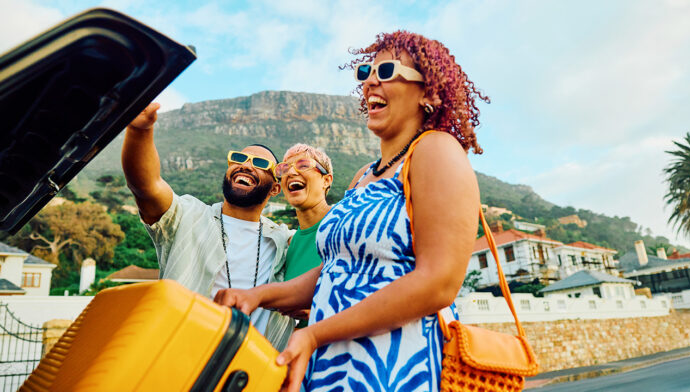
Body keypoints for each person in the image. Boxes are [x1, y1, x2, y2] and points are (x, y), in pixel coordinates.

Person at [215, 30, 485, 391]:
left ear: (429, 92)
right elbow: (335, 271)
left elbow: (439, 284)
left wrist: (314, 335)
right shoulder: (363, 177)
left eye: (387, 70)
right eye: (366, 72)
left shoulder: (436, 151)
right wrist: (259, 296)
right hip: (334, 365)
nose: (370, 80)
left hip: (397, 365)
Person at [122, 103, 295, 350]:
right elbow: (146, 186)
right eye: (237, 158)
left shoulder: (284, 240)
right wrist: (140, 130)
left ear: (275, 188)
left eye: (258, 162)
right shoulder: (188, 215)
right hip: (177, 359)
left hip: (252, 375)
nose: (245, 165)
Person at [275, 144, 334, 327]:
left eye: (303, 165)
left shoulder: (346, 225)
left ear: (326, 180)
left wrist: (320, 311)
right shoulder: (288, 244)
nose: (291, 173)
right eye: (284, 168)